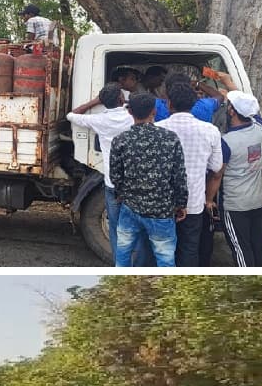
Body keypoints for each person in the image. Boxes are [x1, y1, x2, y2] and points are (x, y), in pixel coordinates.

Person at [109, 92, 189, 266]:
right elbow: (179, 177)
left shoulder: (120, 140)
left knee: (123, 253)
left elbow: (115, 176)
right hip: (162, 211)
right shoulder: (170, 139)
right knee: (166, 259)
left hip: (130, 208)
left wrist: (122, 195)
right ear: (154, 111)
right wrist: (181, 204)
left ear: (130, 112)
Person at [156, 83, 225, 267]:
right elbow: (217, 167)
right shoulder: (210, 130)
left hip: (163, 202)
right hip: (194, 202)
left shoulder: (157, 129)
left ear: (169, 103)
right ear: (195, 103)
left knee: (163, 248)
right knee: (190, 248)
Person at [68, 84, 139, 261]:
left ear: (103, 103)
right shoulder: (133, 119)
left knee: (115, 226)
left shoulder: (99, 121)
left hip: (112, 183)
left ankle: (120, 263)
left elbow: (71, 115)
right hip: (135, 183)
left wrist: (94, 101)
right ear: (121, 99)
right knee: (137, 225)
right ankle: (138, 261)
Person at [219, 90, 262, 266]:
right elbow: (252, 111)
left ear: (232, 111)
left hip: (236, 205)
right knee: (259, 247)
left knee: (241, 248)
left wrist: (209, 199)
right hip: (259, 201)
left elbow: (218, 174)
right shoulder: (260, 129)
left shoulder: (227, 141)